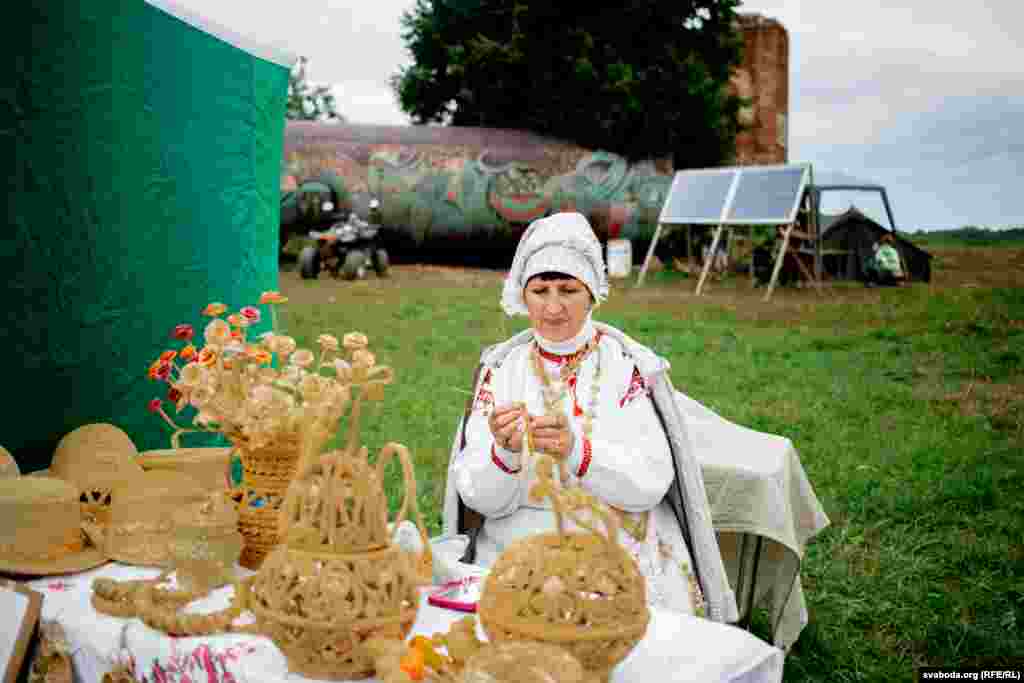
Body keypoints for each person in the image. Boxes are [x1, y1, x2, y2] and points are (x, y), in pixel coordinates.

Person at [442, 212, 738, 624]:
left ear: (593, 293)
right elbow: (476, 496)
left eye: (568, 289)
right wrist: (503, 455)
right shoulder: (501, 369)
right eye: (540, 290)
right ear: (521, 295)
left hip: (613, 535)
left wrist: (577, 452)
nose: (554, 306)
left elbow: (650, 481)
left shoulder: (623, 366)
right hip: (518, 541)